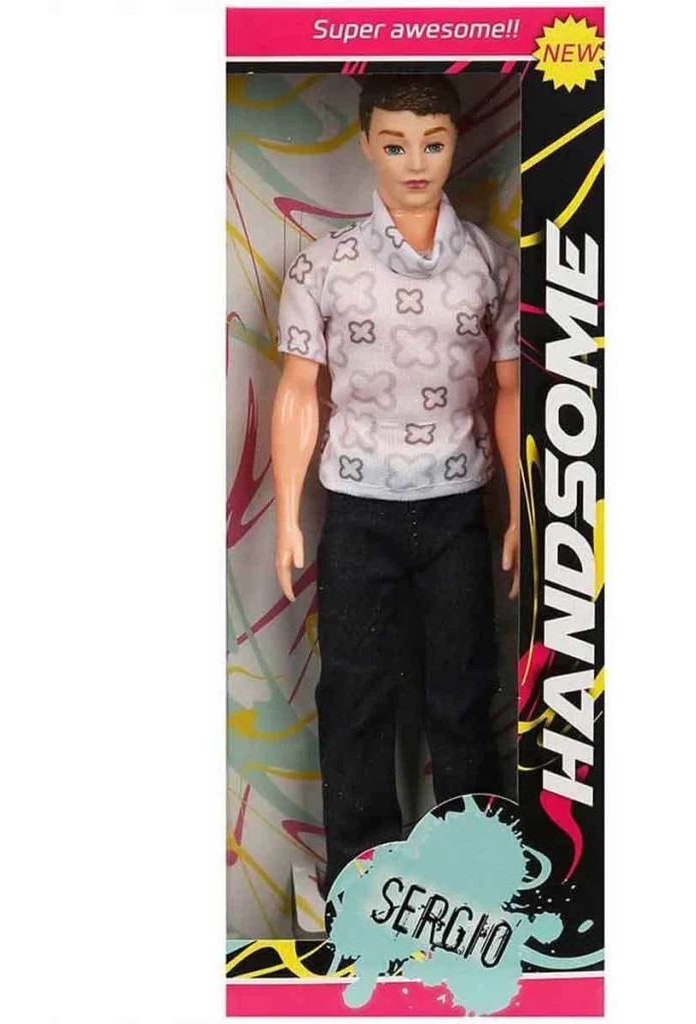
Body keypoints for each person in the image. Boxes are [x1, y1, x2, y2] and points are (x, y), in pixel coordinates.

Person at [271, 74, 520, 897]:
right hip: (359, 510)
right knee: (355, 696)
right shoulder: (326, 266)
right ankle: (359, 875)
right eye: (395, 143)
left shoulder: (490, 263)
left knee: (464, 692)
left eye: (434, 143)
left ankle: (477, 878)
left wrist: (522, 510)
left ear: (455, 144)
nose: (416, 162)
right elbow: (299, 390)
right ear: (366, 145)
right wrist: (287, 518)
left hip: (456, 506)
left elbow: (513, 391)